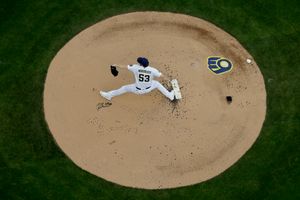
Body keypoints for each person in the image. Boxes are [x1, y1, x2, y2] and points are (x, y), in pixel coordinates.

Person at [100, 57, 175, 101]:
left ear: (140, 64)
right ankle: (170, 96)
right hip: (149, 88)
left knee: (124, 88)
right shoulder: (153, 70)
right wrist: (168, 80)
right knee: (157, 84)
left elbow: (125, 67)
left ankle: (109, 95)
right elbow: (162, 76)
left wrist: (116, 65)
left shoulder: (135, 67)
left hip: (137, 90)